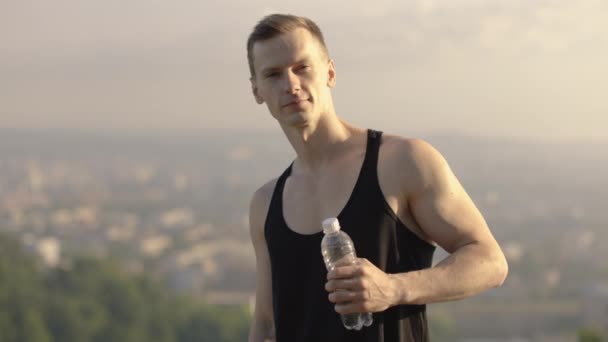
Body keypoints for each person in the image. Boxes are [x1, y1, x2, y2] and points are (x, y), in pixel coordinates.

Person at [246, 13, 508, 342]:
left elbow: (490, 261)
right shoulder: (265, 203)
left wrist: (393, 288)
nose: (291, 84)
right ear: (257, 90)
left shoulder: (402, 162)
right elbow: (267, 326)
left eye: (302, 67)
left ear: (329, 72)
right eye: (273, 74)